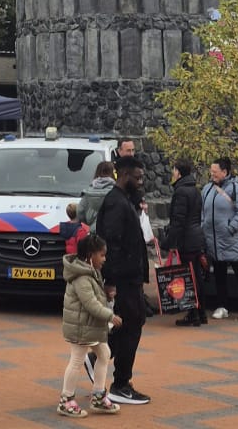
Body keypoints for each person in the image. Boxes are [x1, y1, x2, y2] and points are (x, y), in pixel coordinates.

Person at [96, 155, 150, 407]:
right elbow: (112, 244)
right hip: (124, 277)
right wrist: (111, 280)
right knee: (131, 323)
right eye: (137, 177)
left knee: (131, 321)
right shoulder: (116, 204)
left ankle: (100, 360)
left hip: (131, 275)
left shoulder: (125, 200)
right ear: (125, 175)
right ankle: (120, 384)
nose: (141, 182)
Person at [59, 231, 122, 418]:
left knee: (104, 353)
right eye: (101, 255)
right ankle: (66, 399)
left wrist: (107, 296)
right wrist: (110, 316)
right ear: (90, 255)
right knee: (77, 360)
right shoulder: (82, 277)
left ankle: (98, 395)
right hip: (80, 327)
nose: (104, 259)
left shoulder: (90, 272)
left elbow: (96, 298)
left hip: (88, 326)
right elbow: (91, 304)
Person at [202, 158, 238, 323]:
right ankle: (222, 306)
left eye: (215, 172)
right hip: (213, 240)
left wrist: (230, 228)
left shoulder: (236, 189)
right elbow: (203, 212)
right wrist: (203, 227)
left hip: (231, 240)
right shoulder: (207, 189)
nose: (212, 175)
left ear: (225, 172)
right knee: (219, 274)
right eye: (211, 172)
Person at [165, 159, 207, 327]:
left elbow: (178, 221)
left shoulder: (181, 192)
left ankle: (194, 313)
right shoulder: (195, 190)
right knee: (196, 275)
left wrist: (168, 242)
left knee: (189, 277)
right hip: (196, 237)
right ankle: (201, 312)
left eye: (174, 170)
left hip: (187, 240)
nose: (173, 174)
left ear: (179, 173)